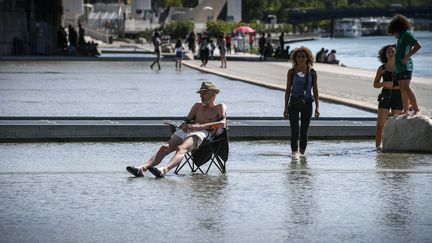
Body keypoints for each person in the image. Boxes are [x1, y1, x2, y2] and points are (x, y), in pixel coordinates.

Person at [126, 81, 227, 178]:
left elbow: (222, 124)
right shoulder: (197, 106)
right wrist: (184, 125)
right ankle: (142, 168)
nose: (201, 96)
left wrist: (200, 126)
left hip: (204, 133)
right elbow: (185, 122)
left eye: (204, 93)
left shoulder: (219, 107)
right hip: (190, 130)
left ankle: (164, 170)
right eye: (200, 93)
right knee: (164, 147)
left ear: (213, 94)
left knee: (181, 148)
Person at [283, 47, 320, 159]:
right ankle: (294, 152)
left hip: (307, 103)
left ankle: (302, 153)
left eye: (303, 57)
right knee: (295, 130)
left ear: (307, 58)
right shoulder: (291, 72)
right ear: (295, 58)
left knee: (304, 130)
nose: (301, 59)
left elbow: (316, 91)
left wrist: (317, 107)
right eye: (299, 57)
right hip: (293, 103)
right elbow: (288, 90)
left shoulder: (312, 73)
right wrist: (285, 108)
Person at [388, 14, 422, 116]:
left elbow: (418, 45)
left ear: (398, 27)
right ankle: (406, 110)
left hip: (406, 66)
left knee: (406, 87)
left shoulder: (407, 34)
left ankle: (416, 109)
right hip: (399, 67)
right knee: (402, 89)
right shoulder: (400, 38)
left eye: (394, 31)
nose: (394, 34)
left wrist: (407, 57)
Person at [373, 44, 402, 150]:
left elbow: (406, 85)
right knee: (380, 124)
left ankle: (395, 147)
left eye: (393, 52)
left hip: (398, 96)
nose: (390, 54)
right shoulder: (382, 68)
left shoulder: (400, 67)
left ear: (396, 53)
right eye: (388, 52)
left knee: (396, 124)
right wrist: (383, 84)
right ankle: (377, 148)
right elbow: (375, 84)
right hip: (385, 95)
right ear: (385, 55)